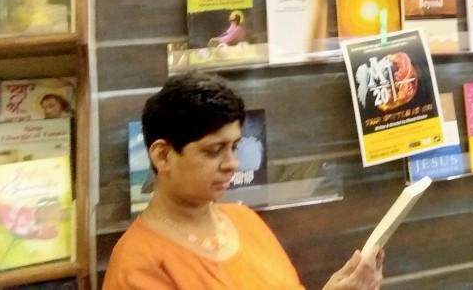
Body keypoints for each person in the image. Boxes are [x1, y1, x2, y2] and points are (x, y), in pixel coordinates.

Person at [102, 72, 384, 290]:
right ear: (163, 156)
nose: (232, 164)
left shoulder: (244, 220)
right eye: (214, 150)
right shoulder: (137, 265)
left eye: (234, 147)